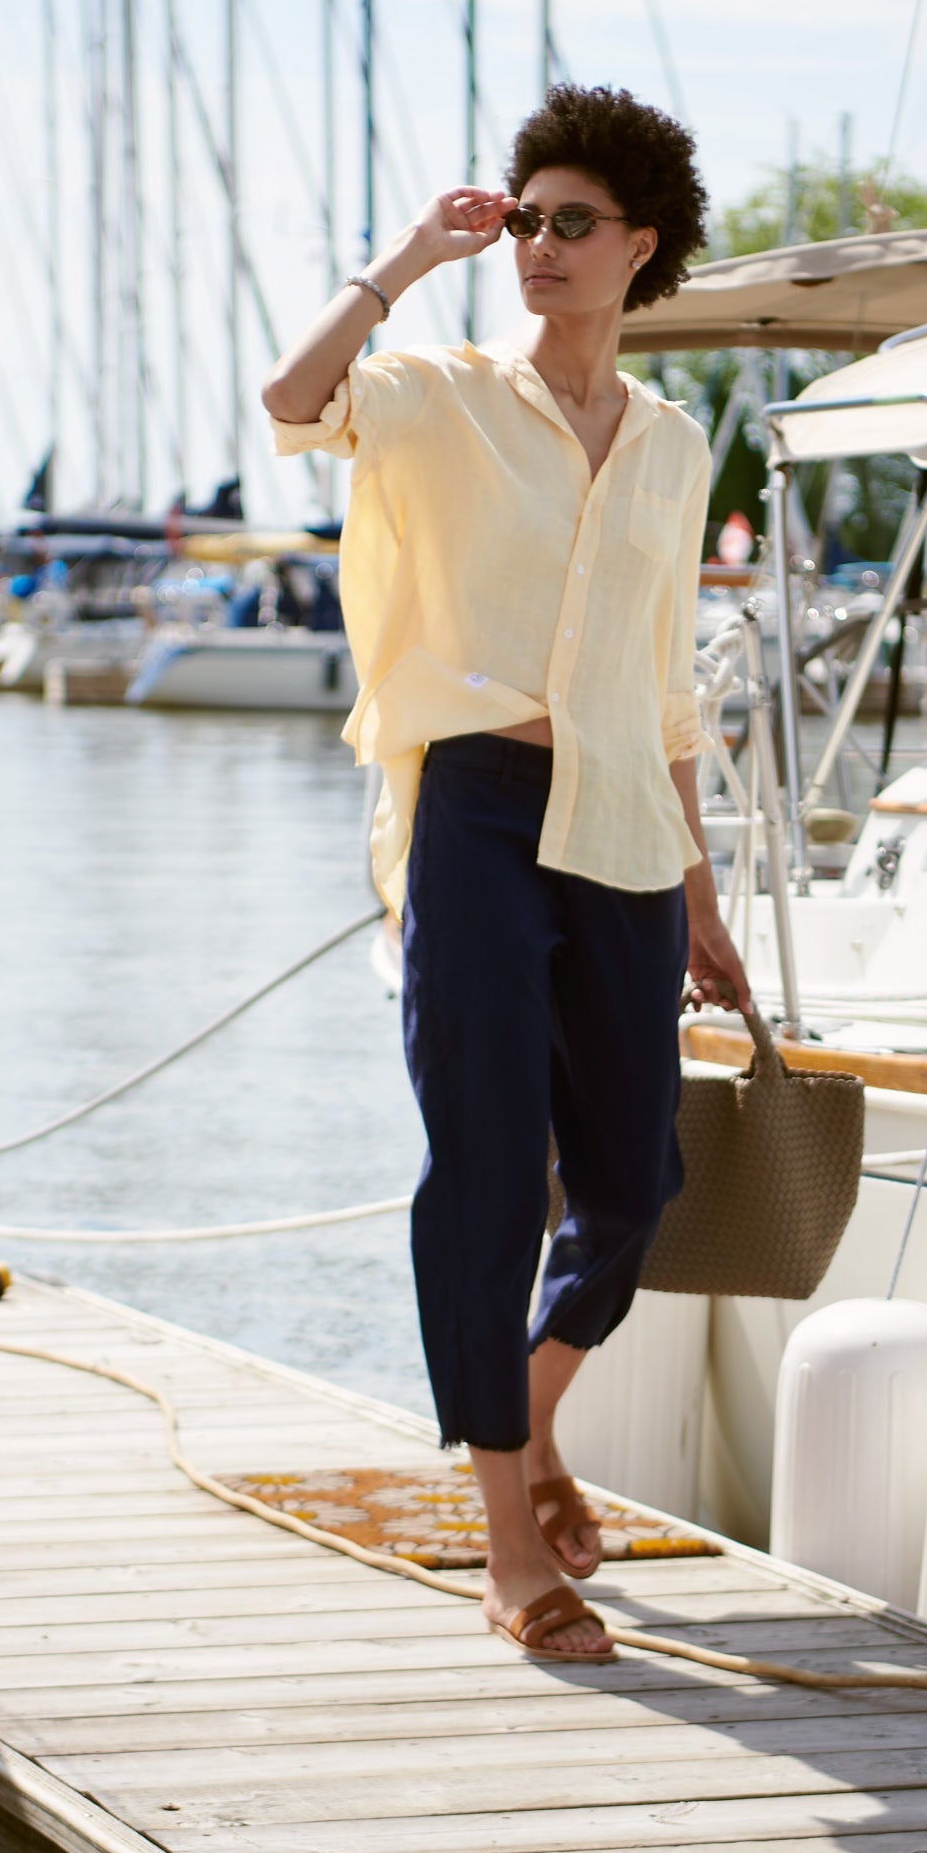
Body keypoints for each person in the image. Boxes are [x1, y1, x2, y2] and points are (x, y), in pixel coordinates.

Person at [260, 84, 753, 1662]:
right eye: (525, 219)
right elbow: (288, 399)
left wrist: (703, 893)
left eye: (571, 223)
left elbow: (667, 686)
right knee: (482, 1166)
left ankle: (534, 1417)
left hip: (618, 816)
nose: (538, 246)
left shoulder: (672, 448)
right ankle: (505, 1549)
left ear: (639, 246)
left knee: (634, 1181)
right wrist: (407, 255)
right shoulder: (435, 391)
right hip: (471, 806)